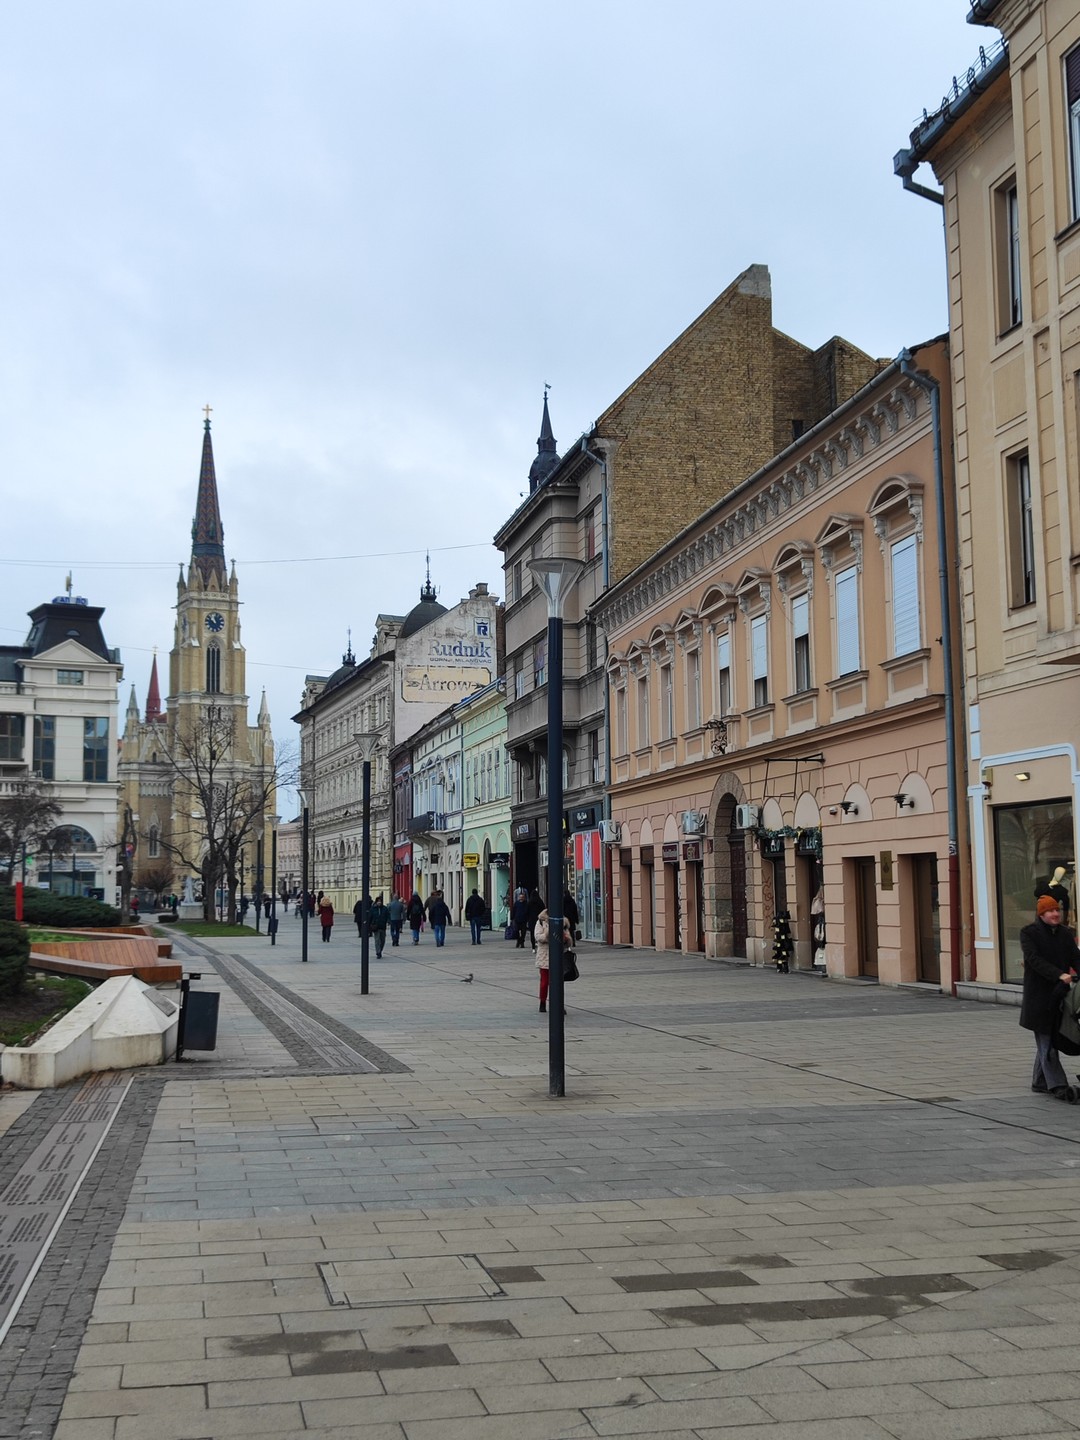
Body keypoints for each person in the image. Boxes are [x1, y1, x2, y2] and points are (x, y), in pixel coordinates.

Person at [1020, 894, 1079, 1100]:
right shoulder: (1029, 933)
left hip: (1060, 995)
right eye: (1050, 911)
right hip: (1039, 997)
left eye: (1057, 910)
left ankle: (1039, 1081)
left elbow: (1076, 958)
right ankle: (1058, 1085)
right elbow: (1034, 960)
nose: (1055, 914)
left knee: (1049, 1037)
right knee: (1047, 1039)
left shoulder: (1065, 933)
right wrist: (1059, 974)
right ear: (1041, 914)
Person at [534, 907, 573, 1013]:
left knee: (558, 983)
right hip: (544, 955)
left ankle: (559, 1004)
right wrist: (548, 935)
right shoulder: (541, 921)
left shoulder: (563, 922)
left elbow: (568, 940)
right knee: (545, 982)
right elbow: (538, 937)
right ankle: (542, 1002)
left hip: (559, 956)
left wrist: (566, 939)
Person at [369, 894, 390, 958]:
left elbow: (388, 916)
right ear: (376, 902)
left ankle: (380, 950)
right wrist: (369, 925)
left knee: (382, 940)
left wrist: (388, 921)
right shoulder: (373, 909)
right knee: (377, 940)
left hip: (383, 926)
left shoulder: (385, 908)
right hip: (376, 927)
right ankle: (378, 952)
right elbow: (370, 917)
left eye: (380, 901)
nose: (379, 902)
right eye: (378, 901)